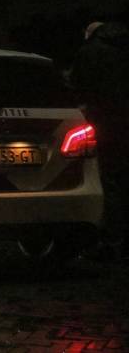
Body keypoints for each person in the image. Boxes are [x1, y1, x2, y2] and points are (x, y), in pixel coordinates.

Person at [71, 20, 129, 262]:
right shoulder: (123, 48)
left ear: (90, 34)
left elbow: (78, 85)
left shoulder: (90, 52)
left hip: (105, 121)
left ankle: (110, 241)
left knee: (108, 179)